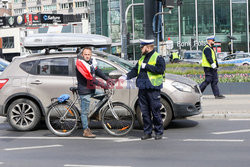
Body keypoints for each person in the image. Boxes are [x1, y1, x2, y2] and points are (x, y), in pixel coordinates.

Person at [120, 39, 166, 140]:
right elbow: (135, 70)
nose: (141, 49)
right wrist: (126, 76)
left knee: (155, 111)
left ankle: (158, 132)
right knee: (144, 112)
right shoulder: (142, 59)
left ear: (148, 47)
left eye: (142, 47)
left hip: (153, 88)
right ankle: (147, 132)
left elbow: (161, 70)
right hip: (142, 88)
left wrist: (148, 67)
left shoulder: (158, 57)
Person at [76, 47, 114, 138]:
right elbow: (90, 78)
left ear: (91, 55)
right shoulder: (80, 64)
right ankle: (86, 130)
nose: (87, 56)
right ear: (82, 55)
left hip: (91, 89)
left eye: (89, 54)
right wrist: (103, 85)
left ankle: (94, 113)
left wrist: (107, 79)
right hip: (84, 90)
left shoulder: (91, 62)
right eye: (85, 54)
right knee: (85, 112)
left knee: (104, 96)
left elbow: (97, 71)